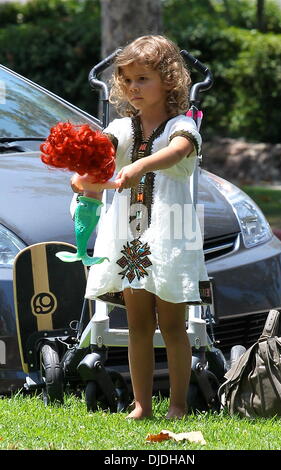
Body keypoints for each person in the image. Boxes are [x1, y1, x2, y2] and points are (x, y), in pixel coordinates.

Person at [72, 35, 209, 420]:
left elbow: (179, 151)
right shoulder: (122, 128)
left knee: (172, 325)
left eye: (142, 79)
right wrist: (85, 174)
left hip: (171, 234)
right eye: (127, 80)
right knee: (137, 325)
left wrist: (141, 166)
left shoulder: (181, 125)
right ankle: (141, 404)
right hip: (131, 236)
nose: (132, 87)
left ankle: (178, 405)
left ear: (168, 79)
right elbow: (103, 151)